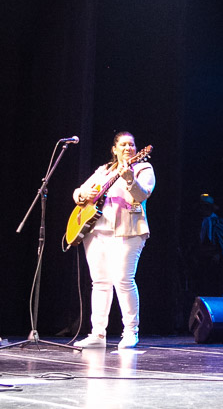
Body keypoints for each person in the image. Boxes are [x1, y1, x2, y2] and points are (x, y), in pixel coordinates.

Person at [72, 131, 155, 349]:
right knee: (99, 283)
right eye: (124, 144)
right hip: (96, 231)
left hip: (129, 231)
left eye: (132, 144)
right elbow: (78, 192)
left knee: (123, 280)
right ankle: (97, 335)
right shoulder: (103, 171)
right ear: (114, 149)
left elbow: (142, 195)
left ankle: (130, 332)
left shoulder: (142, 168)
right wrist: (83, 196)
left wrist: (129, 178)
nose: (128, 148)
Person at [194, 193, 223, 296]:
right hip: (203, 259)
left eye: (204, 206)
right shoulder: (199, 222)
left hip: (217, 260)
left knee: (216, 285)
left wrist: (219, 254)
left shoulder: (218, 223)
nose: (202, 209)